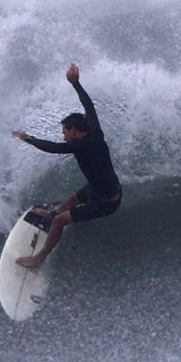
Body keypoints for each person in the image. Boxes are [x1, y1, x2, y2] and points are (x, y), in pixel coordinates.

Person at [11, 63, 122, 269]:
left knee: (61, 221)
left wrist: (28, 138)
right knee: (72, 198)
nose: (64, 136)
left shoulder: (80, 145)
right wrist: (76, 83)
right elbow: (89, 106)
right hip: (101, 189)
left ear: (74, 130)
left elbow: (52, 148)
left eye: (65, 131)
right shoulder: (94, 131)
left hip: (106, 202)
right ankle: (55, 215)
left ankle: (39, 259)